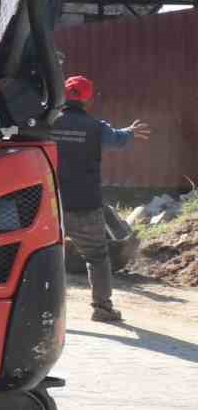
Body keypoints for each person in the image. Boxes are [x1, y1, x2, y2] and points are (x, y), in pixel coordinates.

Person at [51, 75, 151, 323]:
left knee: (44, 258)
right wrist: (130, 131)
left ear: (62, 95)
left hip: (50, 205)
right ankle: (103, 309)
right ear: (88, 99)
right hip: (86, 204)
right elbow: (118, 138)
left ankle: (44, 312)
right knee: (96, 257)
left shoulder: (46, 123)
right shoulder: (96, 127)